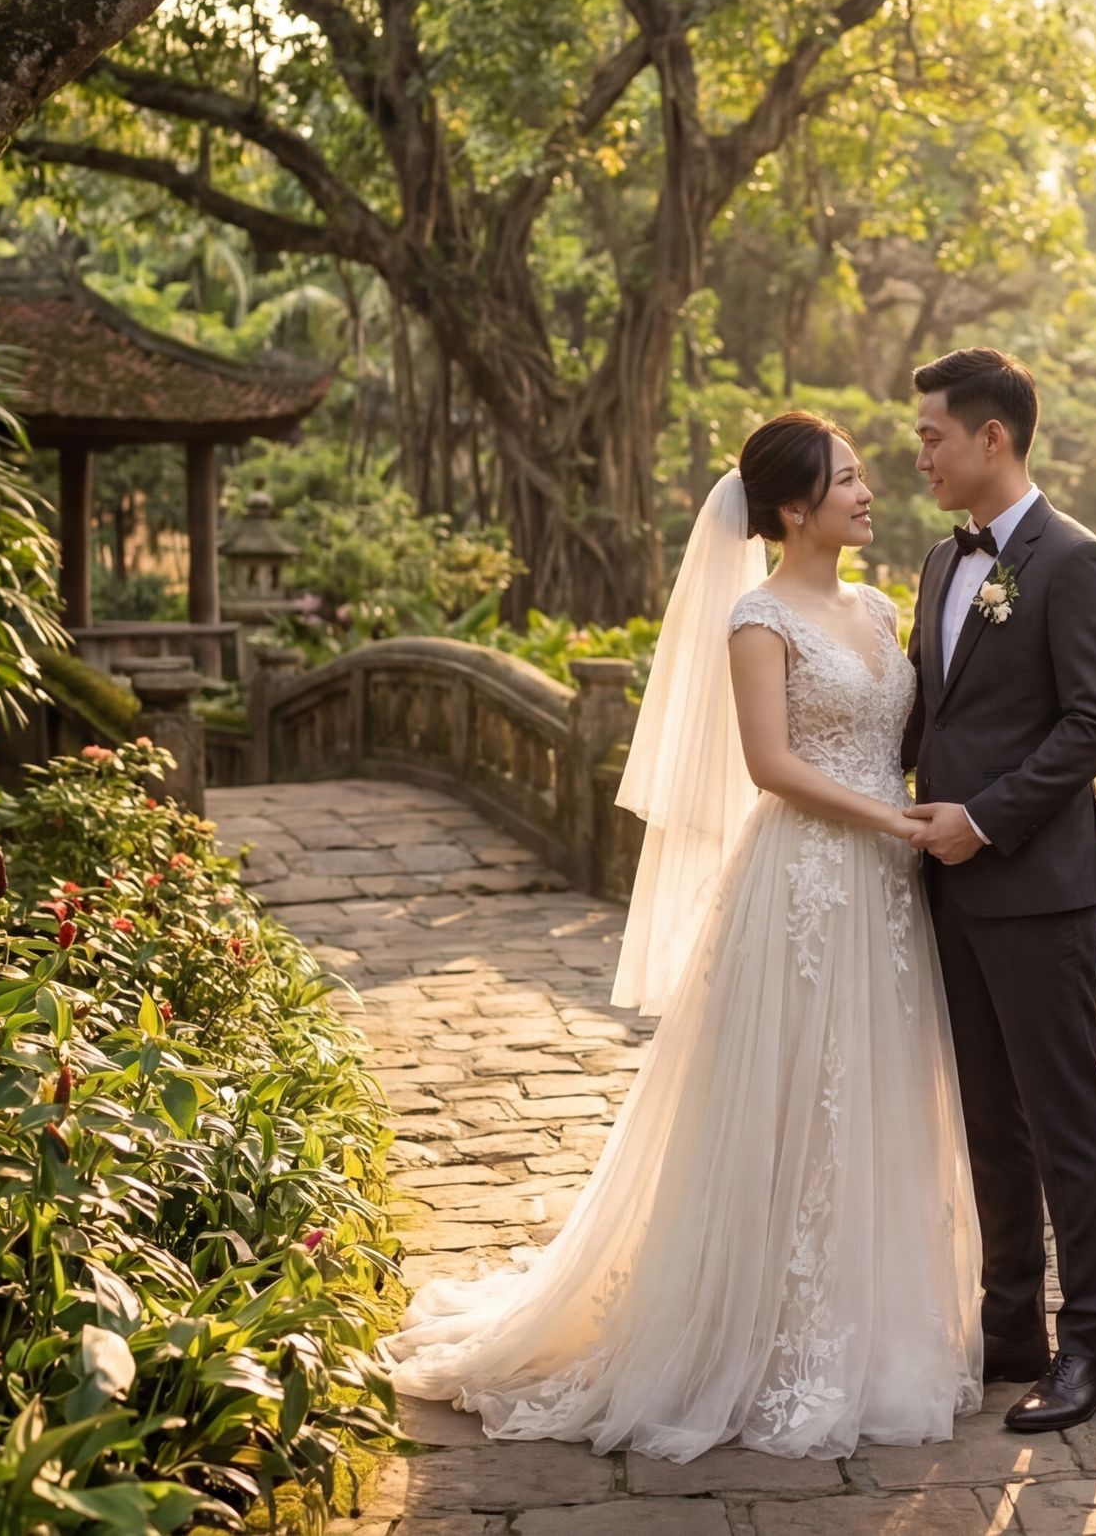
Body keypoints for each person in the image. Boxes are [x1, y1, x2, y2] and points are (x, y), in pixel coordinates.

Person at [382, 413, 981, 1461]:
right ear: (794, 506)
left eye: (862, 475)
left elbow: (903, 735)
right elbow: (771, 765)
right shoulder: (759, 618)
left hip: (886, 891)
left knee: (872, 1091)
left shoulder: (882, 610)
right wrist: (893, 822)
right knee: (795, 1093)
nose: (868, 492)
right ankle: (755, 1330)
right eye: (847, 479)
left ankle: (871, 1328)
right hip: (806, 878)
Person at [904, 347, 1096, 1432]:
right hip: (947, 890)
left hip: (1039, 889)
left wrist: (985, 818)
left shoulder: (1075, 561)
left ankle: (1094, 1351)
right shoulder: (939, 563)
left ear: (991, 436)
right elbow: (930, 718)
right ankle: (1012, 1329)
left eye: (932, 437)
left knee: (1064, 1121)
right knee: (990, 1122)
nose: (920, 458)